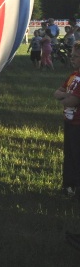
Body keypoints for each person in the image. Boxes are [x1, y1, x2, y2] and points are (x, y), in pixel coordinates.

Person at [54, 45, 80, 198]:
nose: (72, 58)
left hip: (78, 125)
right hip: (69, 122)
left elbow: (71, 101)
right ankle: (68, 185)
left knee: (76, 156)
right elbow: (56, 92)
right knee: (69, 155)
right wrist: (65, 97)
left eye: (75, 56)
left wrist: (64, 97)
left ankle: (75, 186)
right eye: (72, 56)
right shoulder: (73, 76)